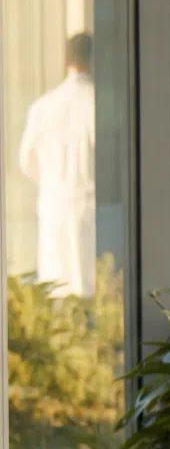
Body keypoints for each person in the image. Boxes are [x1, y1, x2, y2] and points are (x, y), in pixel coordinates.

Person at [16, 32, 96, 296]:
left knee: (57, 288)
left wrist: (51, 182)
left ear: (65, 59)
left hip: (54, 205)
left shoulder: (43, 107)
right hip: (88, 206)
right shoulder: (98, 103)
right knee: (89, 289)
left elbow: (26, 160)